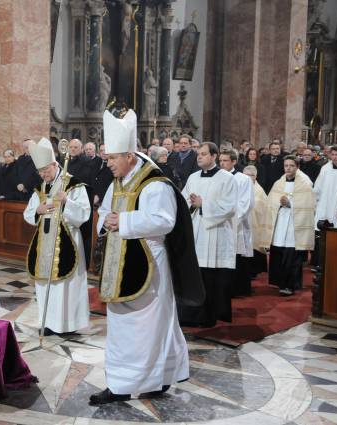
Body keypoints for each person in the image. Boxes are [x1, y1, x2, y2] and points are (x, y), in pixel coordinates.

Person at [91, 110, 203, 405]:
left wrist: (123, 222)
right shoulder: (117, 181)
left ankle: (157, 378)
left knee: (149, 327)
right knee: (119, 327)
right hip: (119, 265)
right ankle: (119, 383)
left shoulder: (154, 183)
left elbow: (165, 220)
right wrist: (107, 221)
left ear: (129, 155)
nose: (109, 164)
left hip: (150, 265)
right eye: (107, 159)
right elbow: (105, 212)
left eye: (113, 158)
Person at [23, 138, 90, 336]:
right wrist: (39, 210)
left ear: (55, 164)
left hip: (67, 239)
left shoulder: (73, 184)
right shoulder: (41, 188)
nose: (43, 174)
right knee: (45, 284)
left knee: (65, 286)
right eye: (40, 171)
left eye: (46, 170)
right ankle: (49, 323)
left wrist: (67, 202)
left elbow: (84, 214)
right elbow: (28, 214)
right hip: (44, 242)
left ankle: (67, 325)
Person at [179, 142, 237, 327]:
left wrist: (204, 204)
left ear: (214, 156)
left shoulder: (227, 179)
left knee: (211, 277)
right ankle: (191, 314)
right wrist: (191, 204)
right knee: (194, 274)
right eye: (198, 154)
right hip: (196, 230)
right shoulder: (193, 177)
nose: (199, 157)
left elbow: (230, 207)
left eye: (203, 154)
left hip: (215, 233)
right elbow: (183, 200)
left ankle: (208, 315)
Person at [264, 156, 315, 295]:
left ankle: (290, 285)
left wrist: (291, 204)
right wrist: (278, 203)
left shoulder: (305, 183)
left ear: (297, 167)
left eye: (291, 165)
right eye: (286, 165)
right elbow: (270, 202)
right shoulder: (278, 183)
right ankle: (280, 282)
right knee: (279, 254)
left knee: (291, 257)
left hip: (294, 224)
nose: (288, 168)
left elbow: (308, 204)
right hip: (280, 223)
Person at [219, 150, 254, 297]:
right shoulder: (216, 178)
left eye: (225, 161)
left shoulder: (243, 179)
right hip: (219, 223)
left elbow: (245, 203)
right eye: (220, 161)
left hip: (236, 225)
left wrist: (230, 219)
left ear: (234, 162)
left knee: (238, 256)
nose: (221, 164)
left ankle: (239, 289)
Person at [243, 165, 268, 276]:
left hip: (255, 224)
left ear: (255, 177)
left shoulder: (259, 190)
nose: (247, 178)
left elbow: (261, 206)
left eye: (250, 175)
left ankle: (254, 271)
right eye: (245, 175)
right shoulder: (240, 186)